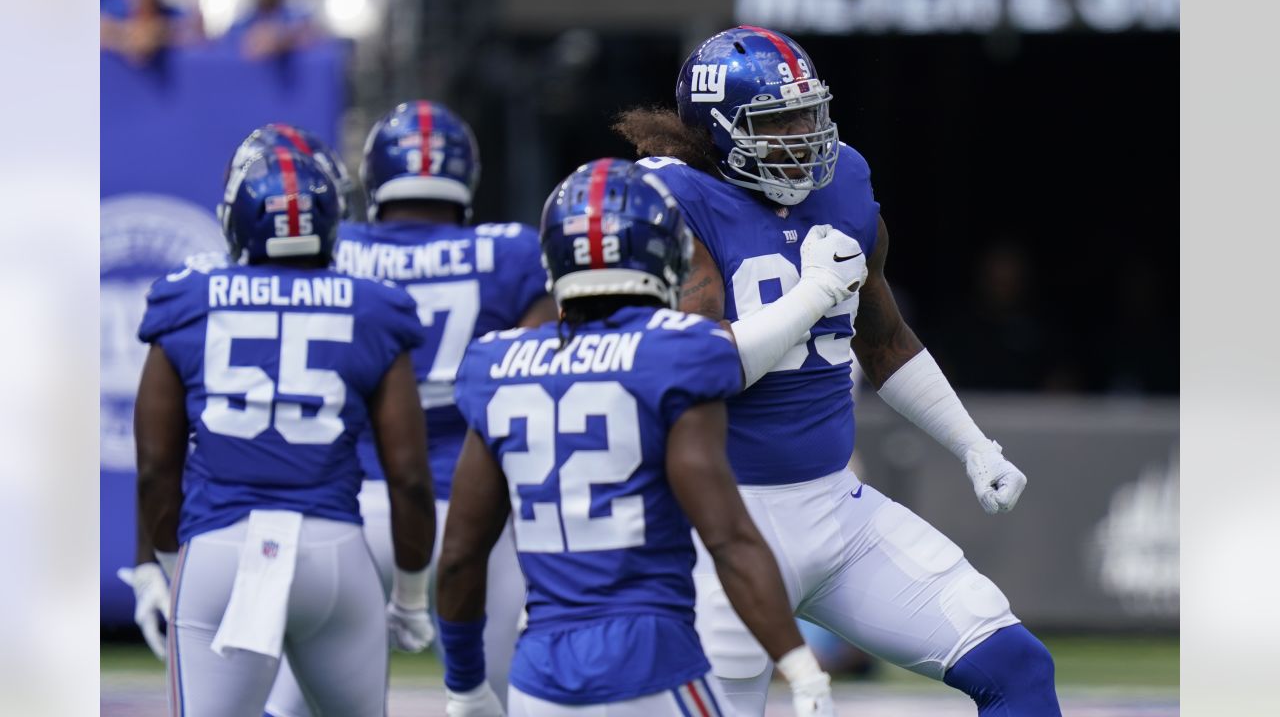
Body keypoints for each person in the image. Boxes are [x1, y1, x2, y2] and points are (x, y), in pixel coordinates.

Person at [614, 25, 1061, 716]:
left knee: (1017, 666)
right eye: (777, 121)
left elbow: (882, 341)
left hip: (834, 506)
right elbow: (700, 366)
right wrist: (814, 295)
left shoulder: (843, 180)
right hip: (719, 523)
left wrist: (972, 444)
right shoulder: (670, 202)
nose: (804, 134)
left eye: (808, 112)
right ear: (717, 130)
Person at [435, 158, 840, 717]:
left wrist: (463, 686)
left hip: (541, 677)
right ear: (664, 252)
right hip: (650, 661)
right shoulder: (679, 351)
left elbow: (459, 554)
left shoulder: (496, 363)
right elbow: (728, 538)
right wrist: (798, 665)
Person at [133, 146, 435, 716]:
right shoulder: (370, 305)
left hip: (223, 547)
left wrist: (173, 570)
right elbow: (410, 476)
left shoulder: (188, 298)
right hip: (334, 554)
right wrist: (413, 596)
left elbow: (154, 465)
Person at [322, 99, 556, 707]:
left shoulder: (336, 248)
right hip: (476, 507)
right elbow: (544, 360)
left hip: (355, 499)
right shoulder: (510, 253)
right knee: (504, 694)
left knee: (313, 700)